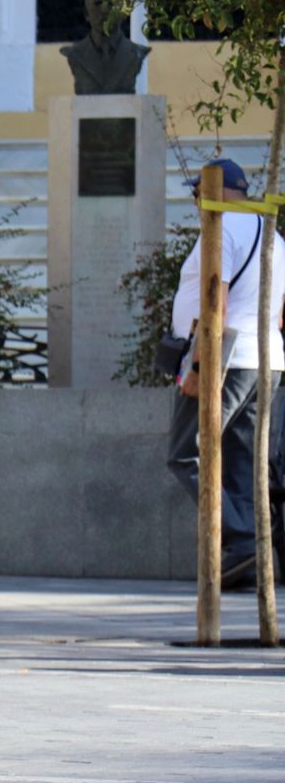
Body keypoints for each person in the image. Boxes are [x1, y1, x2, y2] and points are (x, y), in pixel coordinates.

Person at [166, 159, 285, 591]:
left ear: (217, 190)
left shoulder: (223, 229)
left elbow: (215, 296)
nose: (195, 199)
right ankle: (246, 560)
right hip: (265, 358)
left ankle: (242, 544)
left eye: (197, 190)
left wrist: (199, 365)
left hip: (224, 357)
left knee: (187, 452)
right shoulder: (272, 235)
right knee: (238, 460)